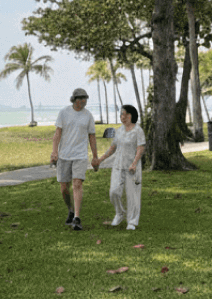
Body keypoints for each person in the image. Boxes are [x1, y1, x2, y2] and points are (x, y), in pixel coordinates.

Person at [51, 88, 98, 231]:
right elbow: (58, 133)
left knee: (77, 183)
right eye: (81, 98)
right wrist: (54, 151)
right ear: (74, 99)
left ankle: (77, 218)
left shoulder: (88, 115)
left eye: (85, 99)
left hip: (80, 155)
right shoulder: (64, 113)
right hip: (64, 155)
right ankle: (70, 210)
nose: (83, 101)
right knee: (64, 188)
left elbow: (92, 136)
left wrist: (95, 156)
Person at [93, 104, 146, 231]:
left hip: (132, 167)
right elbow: (113, 148)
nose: (121, 117)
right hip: (118, 166)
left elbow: (140, 148)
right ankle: (119, 213)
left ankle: (132, 221)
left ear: (130, 115)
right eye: (120, 114)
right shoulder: (119, 130)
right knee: (114, 192)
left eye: (123, 114)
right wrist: (100, 159)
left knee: (133, 195)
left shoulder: (138, 130)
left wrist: (134, 163)